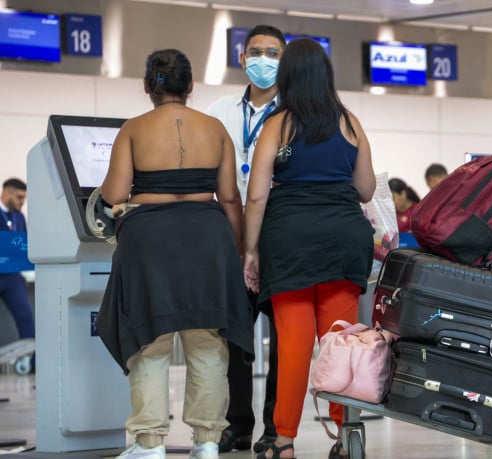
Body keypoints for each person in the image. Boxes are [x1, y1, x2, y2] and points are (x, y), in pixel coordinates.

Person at [95, 49, 254, 459]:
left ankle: (148, 444)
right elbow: (231, 198)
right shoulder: (216, 129)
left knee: (150, 340)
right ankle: (206, 441)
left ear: (148, 86)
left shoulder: (133, 129)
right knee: (207, 343)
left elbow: (113, 194)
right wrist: (237, 252)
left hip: (150, 240)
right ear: (191, 87)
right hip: (208, 238)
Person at [243, 38, 375, 459]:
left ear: (288, 77)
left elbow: (257, 196)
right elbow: (367, 190)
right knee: (340, 346)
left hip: (289, 244)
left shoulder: (277, 124)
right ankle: (344, 434)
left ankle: (283, 441)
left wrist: (251, 252)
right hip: (342, 241)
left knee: (294, 347)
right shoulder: (350, 123)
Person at [207, 23, 285, 455]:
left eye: (273, 53)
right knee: (234, 335)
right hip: (229, 234)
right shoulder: (219, 109)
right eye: (256, 51)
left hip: (279, 235)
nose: (263, 60)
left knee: (283, 335)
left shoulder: (295, 111)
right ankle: (237, 424)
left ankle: (275, 425)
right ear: (242, 58)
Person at [0, 178, 35, 343]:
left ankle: (33, 363)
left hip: (12, 277)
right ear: (7, 193)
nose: (22, 202)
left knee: (26, 320)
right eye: (19, 197)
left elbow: (22, 243)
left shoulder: (19, 217)